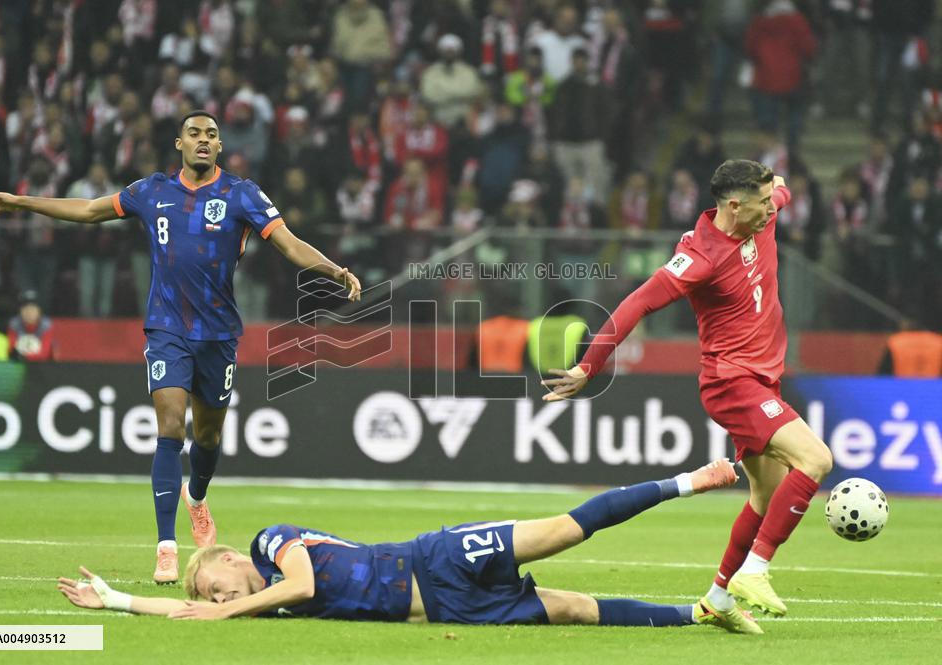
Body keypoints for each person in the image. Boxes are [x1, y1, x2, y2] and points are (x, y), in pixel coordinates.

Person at [0, 110, 362, 585]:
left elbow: (289, 244)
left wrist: (334, 270)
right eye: (195, 134)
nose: (204, 141)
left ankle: (196, 498)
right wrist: (20, 201)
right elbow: (88, 210)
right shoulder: (151, 191)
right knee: (169, 425)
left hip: (219, 334)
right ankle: (165, 548)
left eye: (212, 135)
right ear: (179, 144)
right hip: (167, 329)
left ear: (220, 147)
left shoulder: (241, 194)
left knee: (208, 437)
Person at [541, 160, 834, 634]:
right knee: (816, 460)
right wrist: (587, 366)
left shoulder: (764, 208)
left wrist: (777, 187)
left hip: (763, 379)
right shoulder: (700, 257)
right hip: (731, 382)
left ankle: (719, 598)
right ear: (734, 206)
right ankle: (755, 571)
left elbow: (780, 190)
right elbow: (638, 302)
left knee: (766, 494)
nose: (770, 210)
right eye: (760, 204)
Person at [58, 460, 761, 633]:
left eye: (213, 585)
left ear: (232, 560)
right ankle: (699, 614)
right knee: (576, 609)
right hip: (447, 610)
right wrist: (114, 599)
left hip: (436, 557)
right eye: (214, 598)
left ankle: (691, 480)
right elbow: (182, 615)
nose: (217, 597)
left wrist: (224, 614)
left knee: (566, 527)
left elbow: (302, 582)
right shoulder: (264, 608)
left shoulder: (273, 545)